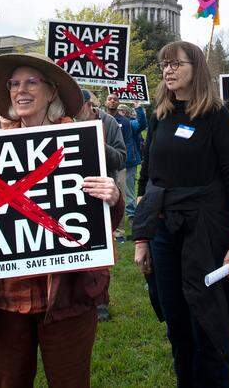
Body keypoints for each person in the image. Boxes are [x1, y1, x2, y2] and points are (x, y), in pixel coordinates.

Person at [0, 52, 122, 387]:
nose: (20, 90)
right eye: (14, 84)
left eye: (30, 82)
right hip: (7, 295)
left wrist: (112, 196)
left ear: (52, 91)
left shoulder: (80, 141)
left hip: (66, 294)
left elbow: (103, 221)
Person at [133, 40, 229, 388]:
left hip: (205, 233)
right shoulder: (159, 116)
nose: (167, 70)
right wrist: (142, 239)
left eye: (175, 63)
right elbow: (147, 178)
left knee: (207, 323)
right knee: (177, 324)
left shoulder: (216, 117)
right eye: (164, 64)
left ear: (196, 68)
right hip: (164, 234)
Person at [79, 89, 126, 322]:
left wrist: (95, 140)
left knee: (99, 249)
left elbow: (121, 157)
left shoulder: (108, 122)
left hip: (101, 193)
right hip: (73, 193)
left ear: (89, 106)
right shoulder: (62, 120)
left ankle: (100, 301)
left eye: (79, 107)